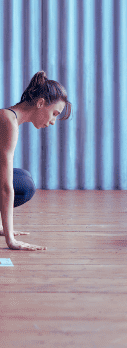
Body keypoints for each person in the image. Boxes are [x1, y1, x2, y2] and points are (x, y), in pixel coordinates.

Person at [0, 71, 73, 252]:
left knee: (22, 178)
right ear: (40, 103)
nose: (54, 121)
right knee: (23, 184)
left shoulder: (10, 118)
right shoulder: (7, 121)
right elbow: (4, 186)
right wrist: (10, 240)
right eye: (54, 113)